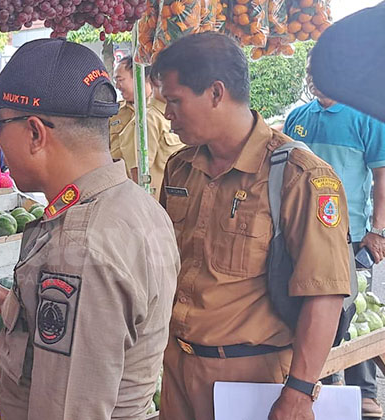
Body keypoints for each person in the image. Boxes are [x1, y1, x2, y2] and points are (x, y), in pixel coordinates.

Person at [0, 38, 180, 419]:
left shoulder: (80, 247)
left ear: (35, 133)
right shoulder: (136, 206)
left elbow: (68, 409)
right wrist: (9, 303)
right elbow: (94, 332)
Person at [153, 32, 351, 420]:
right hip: (176, 368)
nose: (167, 114)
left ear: (215, 93)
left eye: (175, 101)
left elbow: (325, 292)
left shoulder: (298, 176)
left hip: (254, 380)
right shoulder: (180, 168)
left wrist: (299, 390)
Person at [284, 57, 385, 419]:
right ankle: (322, 389)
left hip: (351, 238)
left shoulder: (366, 117)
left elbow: (381, 179)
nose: (315, 81)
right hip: (302, 238)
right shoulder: (297, 118)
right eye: (311, 74)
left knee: (352, 312)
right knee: (310, 315)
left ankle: (366, 395)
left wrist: (378, 230)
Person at [110, 55, 183, 198]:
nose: (117, 86)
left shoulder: (167, 115)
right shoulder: (148, 118)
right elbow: (138, 172)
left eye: (120, 80)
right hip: (151, 202)